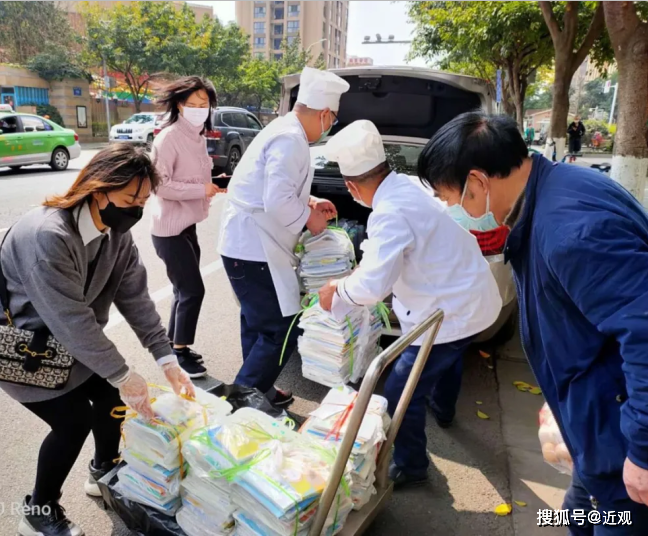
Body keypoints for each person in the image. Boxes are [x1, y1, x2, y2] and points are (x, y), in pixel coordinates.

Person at [416, 111, 648, 534]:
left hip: (622, 447)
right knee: (577, 512)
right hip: (595, 427)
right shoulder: (557, 190)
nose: (452, 211)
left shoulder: (570, 231)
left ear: (479, 183)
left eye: (451, 199)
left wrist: (643, 453)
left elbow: (644, 333)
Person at [0, 144, 195, 536]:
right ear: (99, 190)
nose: (136, 210)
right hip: (12, 340)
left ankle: (103, 471)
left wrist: (167, 360)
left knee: (110, 396)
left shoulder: (115, 235)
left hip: (61, 335)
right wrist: (124, 374)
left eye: (143, 200)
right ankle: (38, 511)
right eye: (129, 199)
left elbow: (135, 298)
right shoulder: (47, 235)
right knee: (72, 423)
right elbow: (71, 319)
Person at [317, 120, 502, 486]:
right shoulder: (408, 184)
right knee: (449, 356)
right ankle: (445, 409)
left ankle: (414, 466)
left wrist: (336, 291)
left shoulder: (388, 213)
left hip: (448, 308)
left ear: (351, 186)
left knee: (401, 390)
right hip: (471, 298)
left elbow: (371, 285)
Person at [217, 67, 348, 407]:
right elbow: (276, 200)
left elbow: (275, 188)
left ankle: (262, 389)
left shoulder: (283, 129)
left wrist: (311, 200)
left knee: (257, 324)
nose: (330, 124)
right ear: (323, 114)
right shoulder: (291, 139)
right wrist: (311, 220)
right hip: (254, 248)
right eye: (332, 118)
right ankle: (240, 403)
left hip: (245, 245)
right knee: (281, 327)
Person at [150, 76, 222, 379]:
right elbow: (160, 185)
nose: (197, 109)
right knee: (193, 290)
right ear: (179, 105)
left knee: (183, 290)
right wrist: (201, 190)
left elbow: (197, 176)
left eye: (203, 105)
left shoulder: (198, 136)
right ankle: (179, 352)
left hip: (186, 224)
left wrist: (211, 185)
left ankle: (173, 347)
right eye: (191, 104)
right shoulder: (169, 138)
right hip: (169, 228)